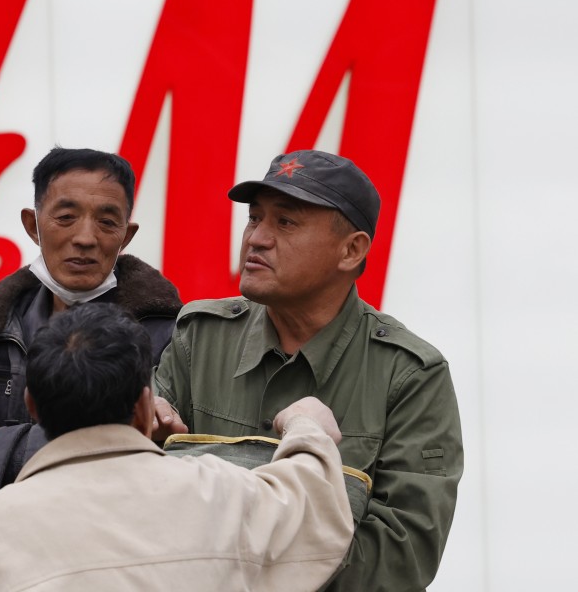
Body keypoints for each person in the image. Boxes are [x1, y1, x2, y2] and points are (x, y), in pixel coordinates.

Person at [154, 149, 463, 591]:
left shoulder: (410, 375)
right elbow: (140, 500)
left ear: (351, 250)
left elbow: (400, 559)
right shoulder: (199, 338)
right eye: (254, 218)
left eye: (286, 222)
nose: (257, 239)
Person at [0, 302, 354, 591]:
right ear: (144, 408)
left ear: (31, 407)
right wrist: (305, 427)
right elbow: (312, 507)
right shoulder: (224, 496)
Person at [0, 147, 183, 528]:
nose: (85, 238)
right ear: (32, 224)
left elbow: (182, 471)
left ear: (126, 235)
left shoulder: (175, 340)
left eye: (107, 222)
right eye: (66, 217)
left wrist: (6, 450)